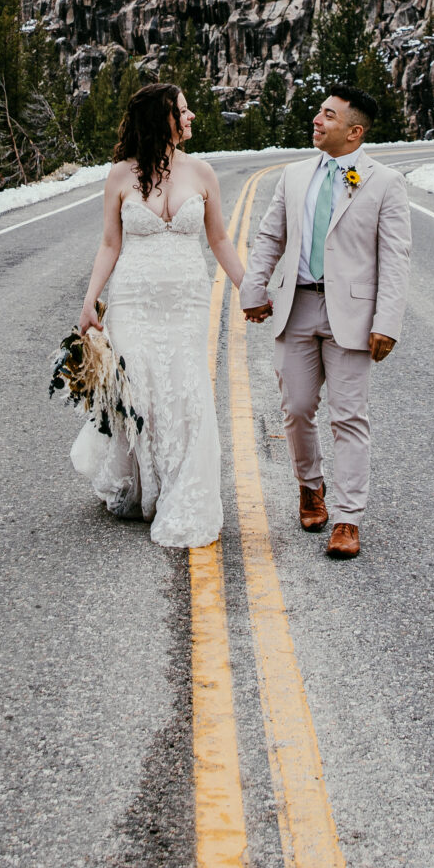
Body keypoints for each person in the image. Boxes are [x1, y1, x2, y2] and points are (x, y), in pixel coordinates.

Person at [71, 82, 252, 548]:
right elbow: (111, 243)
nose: (191, 117)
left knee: (186, 385)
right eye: (183, 111)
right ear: (161, 119)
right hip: (133, 297)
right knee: (142, 387)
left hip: (188, 300)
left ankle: (182, 489)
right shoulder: (119, 176)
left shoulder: (202, 172)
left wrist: (248, 287)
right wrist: (90, 299)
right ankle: (140, 484)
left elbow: (220, 240)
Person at [239, 83, 411, 560]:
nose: (317, 119)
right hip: (296, 307)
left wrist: (387, 321)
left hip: (352, 317)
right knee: (295, 408)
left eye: (329, 116)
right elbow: (271, 235)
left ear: (354, 132)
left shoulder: (383, 182)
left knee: (349, 416)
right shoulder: (294, 176)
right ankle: (309, 487)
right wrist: (254, 289)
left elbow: (396, 258)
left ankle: (348, 518)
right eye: (319, 111)